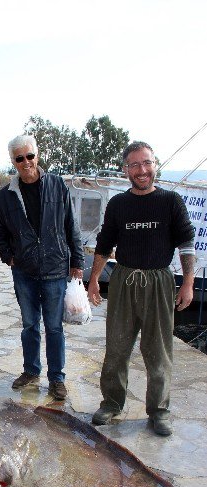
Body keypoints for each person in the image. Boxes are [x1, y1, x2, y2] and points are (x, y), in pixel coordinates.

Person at [87, 141, 195, 437]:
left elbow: (186, 242)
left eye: (146, 163)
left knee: (158, 350)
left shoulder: (171, 201)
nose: (142, 170)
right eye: (134, 165)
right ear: (126, 170)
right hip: (123, 280)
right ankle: (111, 403)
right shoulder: (118, 204)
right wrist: (95, 278)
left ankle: (159, 410)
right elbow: (104, 243)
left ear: (154, 164)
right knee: (117, 348)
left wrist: (188, 282)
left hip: (159, 282)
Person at [0, 134, 84, 400]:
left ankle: (57, 378)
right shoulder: (5, 197)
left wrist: (77, 262)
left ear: (37, 156)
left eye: (29, 156)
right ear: (13, 161)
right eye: (19, 158)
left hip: (56, 270)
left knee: (54, 327)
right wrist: (8, 257)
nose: (26, 162)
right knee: (30, 325)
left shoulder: (57, 186)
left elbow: (71, 226)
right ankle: (31, 370)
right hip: (24, 271)